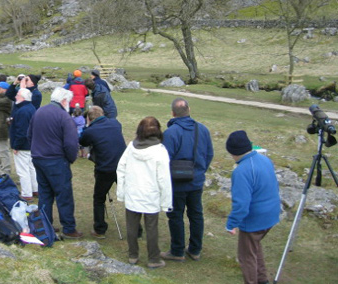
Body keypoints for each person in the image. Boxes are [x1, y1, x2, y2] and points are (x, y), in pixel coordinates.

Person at [161, 97, 214, 262]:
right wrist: (200, 171)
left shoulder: (170, 133)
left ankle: (177, 251)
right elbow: (209, 153)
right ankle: (195, 249)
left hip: (176, 182)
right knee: (196, 214)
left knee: (176, 215)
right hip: (196, 180)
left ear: (172, 113)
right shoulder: (202, 129)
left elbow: (164, 159)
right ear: (189, 110)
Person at [116, 116, 172, 268]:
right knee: (151, 228)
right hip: (150, 196)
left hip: (133, 193)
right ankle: (153, 258)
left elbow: (120, 168)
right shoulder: (160, 151)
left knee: (132, 227)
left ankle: (133, 255)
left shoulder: (131, 147)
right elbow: (164, 179)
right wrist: (166, 203)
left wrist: (121, 192)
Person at [225, 130, 280, 284]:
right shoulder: (264, 159)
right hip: (272, 214)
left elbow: (241, 205)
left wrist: (232, 224)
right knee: (254, 246)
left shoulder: (241, 171)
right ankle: (263, 280)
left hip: (255, 220)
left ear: (234, 152)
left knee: (246, 256)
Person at [28, 87, 82, 239]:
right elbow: (71, 143)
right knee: (63, 195)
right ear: (64, 100)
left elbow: (29, 135)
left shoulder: (39, 112)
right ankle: (69, 228)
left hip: (38, 158)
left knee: (45, 194)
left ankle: (45, 226)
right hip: (56, 160)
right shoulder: (64, 116)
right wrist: (70, 159)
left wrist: (36, 151)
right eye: (69, 102)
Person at [79, 106, 127, 239]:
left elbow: (82, 141)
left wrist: (86, 127)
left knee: (99, 198)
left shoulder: (91, 130)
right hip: (122, 166)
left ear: (89, 118)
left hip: (105, 168)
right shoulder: (115, 123)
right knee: (129, 196)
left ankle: (100, 229)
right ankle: (137, 228)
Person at [9, 88, 38, 201]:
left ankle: (26, 193)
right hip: (32, 144)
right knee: (31, 168)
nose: (16, 97)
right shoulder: (31, 108)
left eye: (18, 95)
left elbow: (21, 132)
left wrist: (16, 146)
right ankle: (35, 189)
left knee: (22, 170)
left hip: (23, 145)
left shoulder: (22, 112)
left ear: (23, 98)